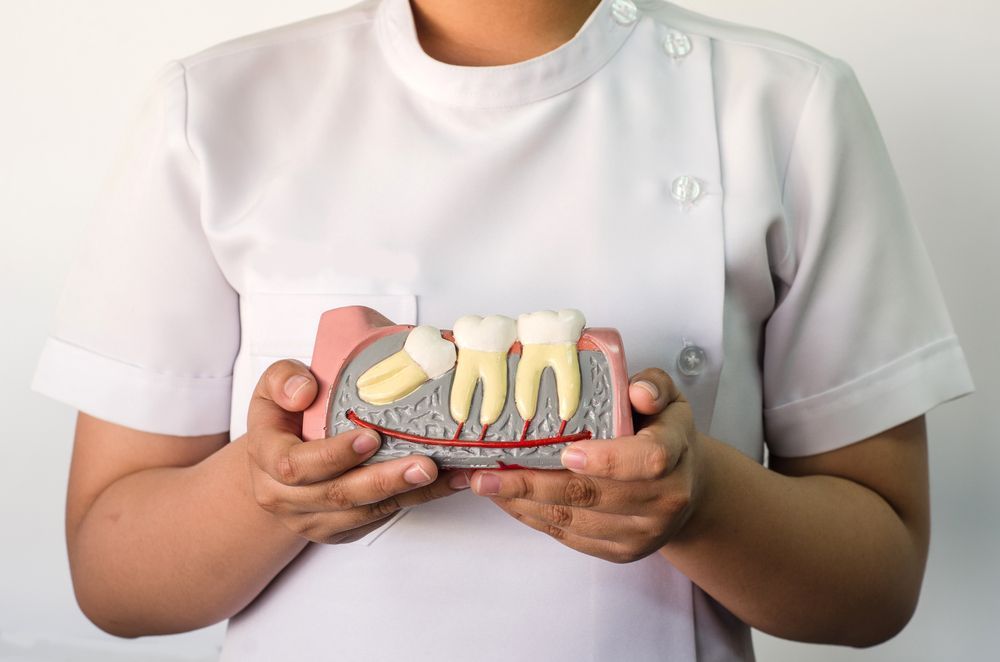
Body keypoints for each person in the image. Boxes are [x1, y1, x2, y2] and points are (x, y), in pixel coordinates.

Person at [32, 0, 975, 659]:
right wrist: (263, 494)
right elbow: (114, 579)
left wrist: (702, 501)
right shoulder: (215, 107)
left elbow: (876, 586)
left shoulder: (785, 102)